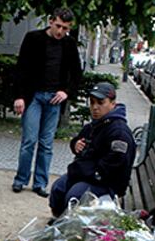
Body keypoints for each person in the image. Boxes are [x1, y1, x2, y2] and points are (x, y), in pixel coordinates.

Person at [12, 8, 82, 197]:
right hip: (33, 95)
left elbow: (76, 73)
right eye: (58, 26)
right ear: (50, 21)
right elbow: (22, 68)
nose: (60, 31)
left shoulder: (69, 44)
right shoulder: (33, 38)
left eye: (65, 28)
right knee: (29, 140)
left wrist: (66, 92)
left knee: (47, 143)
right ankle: (21, 179)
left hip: (54, 98)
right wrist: (19, 96)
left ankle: (40, 183)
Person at [49, 82, 136, 218]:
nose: (95, 107)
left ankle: (71, 226)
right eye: (92, 103)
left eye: (100, 103)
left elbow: (114, 165)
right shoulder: (94, 125)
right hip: (87, 175)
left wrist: (86, 173)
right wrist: (75, 144)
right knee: (58, 188)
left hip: (106, 183)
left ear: (113, 104)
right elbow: (78, 140)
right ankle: (60, 222)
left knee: (75, 196)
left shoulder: (118, 132)